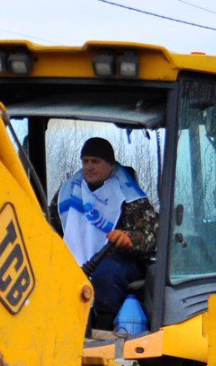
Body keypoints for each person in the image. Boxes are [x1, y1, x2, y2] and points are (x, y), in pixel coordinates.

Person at [52, 137, 158, 330]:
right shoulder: (68, 192)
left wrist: (129, 239)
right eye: (85, 161)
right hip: (74, 257)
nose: (89, 166)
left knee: (106, 274)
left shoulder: (129, 196)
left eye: (95, 161)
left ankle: (102, 331)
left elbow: (151, 234)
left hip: (120, 260)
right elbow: (51, 227)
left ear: (110, 166)